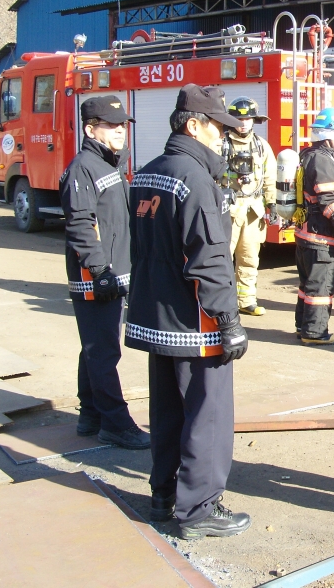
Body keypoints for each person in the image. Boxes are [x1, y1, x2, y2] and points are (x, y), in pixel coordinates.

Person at [125, 84, 250, 539]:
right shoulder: (195, 179)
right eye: (219, 127)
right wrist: (229, 321)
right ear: (194, 126)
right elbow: (209, 258)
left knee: (167, 413)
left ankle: (164, 496)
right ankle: (198, 510)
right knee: (207, 417)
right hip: (196, 323)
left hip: (157, 319)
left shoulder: (148, 173)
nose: (225, 137)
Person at [59, 95, 150, 449]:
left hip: (110, 273)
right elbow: (80, 224)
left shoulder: (106, 165)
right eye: (111, 125)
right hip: (95, 276)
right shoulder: (83, 167)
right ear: (90, 130)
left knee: (95, 347)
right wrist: (99, 271)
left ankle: (91, 414)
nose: (119, 130)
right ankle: (115, 423)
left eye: (122, 124)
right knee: (104, 350)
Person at [294, 107, 334, 346]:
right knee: (321, 287)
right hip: (320, 237)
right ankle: (315, 332)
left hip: (305, 235)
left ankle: (303, 326)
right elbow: (329, 201)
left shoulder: (308, 154)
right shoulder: (323, 159)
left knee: (307, 285)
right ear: (328, 133)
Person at [224, 97, 278, 316]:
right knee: (221, 258)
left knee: (249, 258)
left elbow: (270, 177)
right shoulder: (220, 144)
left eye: (248, 119)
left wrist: (272, 203)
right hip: (228, 209)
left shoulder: (261, 146)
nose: (243, 123)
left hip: (253, 211)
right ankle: (222, 303)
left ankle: (246, 301)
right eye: (239, 119)